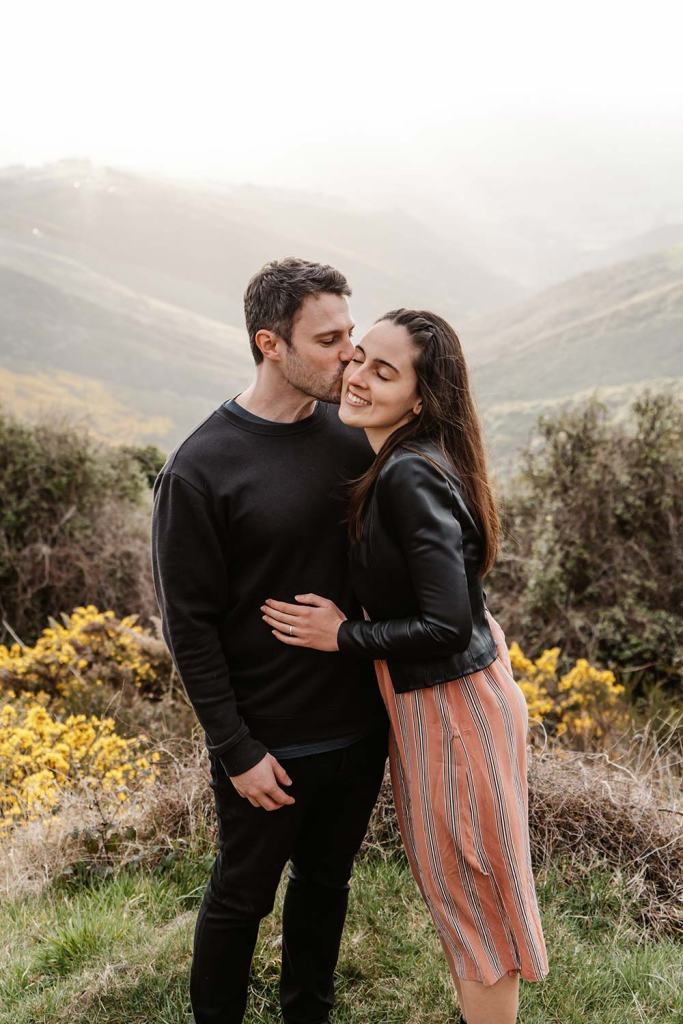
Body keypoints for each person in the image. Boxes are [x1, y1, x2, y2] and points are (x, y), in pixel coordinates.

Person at [263, 308, 549, 1024]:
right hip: (446, 701)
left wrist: (343, 636)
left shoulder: (406, 477)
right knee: (461, 889)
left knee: (476, 903)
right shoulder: (404, 459)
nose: (355, 376)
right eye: (357, 357)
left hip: (450, 709)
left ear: (421, 399)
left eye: (381, 371)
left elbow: (446, 623)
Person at [151, 258, 388, 1024]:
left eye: (350, 333)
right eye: (328, 339)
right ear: (269, 343)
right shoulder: (200, 469)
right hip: (267, 746)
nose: (349, 354)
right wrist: (235, 749)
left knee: (325, 887)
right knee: (241, 898)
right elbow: (186, 624)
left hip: (357, 732)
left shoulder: (353, 439)